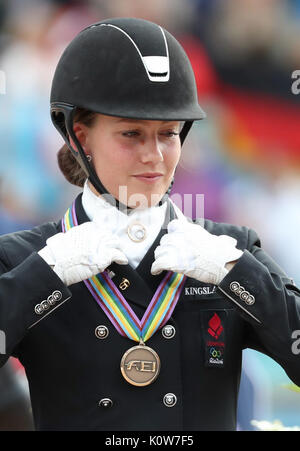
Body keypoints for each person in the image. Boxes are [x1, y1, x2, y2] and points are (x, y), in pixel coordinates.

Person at [0, 17, 299, 432]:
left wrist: (239, 278)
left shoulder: (232, 249)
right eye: (131, 134)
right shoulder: (20, 258)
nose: (154, 156)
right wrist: (39, 279)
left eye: (169, 133)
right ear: (81, 138)